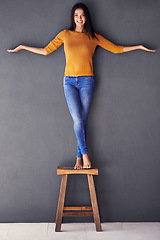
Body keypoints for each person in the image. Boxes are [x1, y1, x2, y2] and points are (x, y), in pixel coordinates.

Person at [7, 3, 156, 170]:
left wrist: (138, 47)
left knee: (83, 120)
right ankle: (85, 155)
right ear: (73, 17)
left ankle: (78, 158)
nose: (79, 18)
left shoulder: (94, 36)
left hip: (87, 82)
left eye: (82, 15)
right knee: (78, 120)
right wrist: (23, 47)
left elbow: (116, 49)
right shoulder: (65, 34)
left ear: (86, 18)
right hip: (69, 81)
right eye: (76, 15)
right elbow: (45, 50)